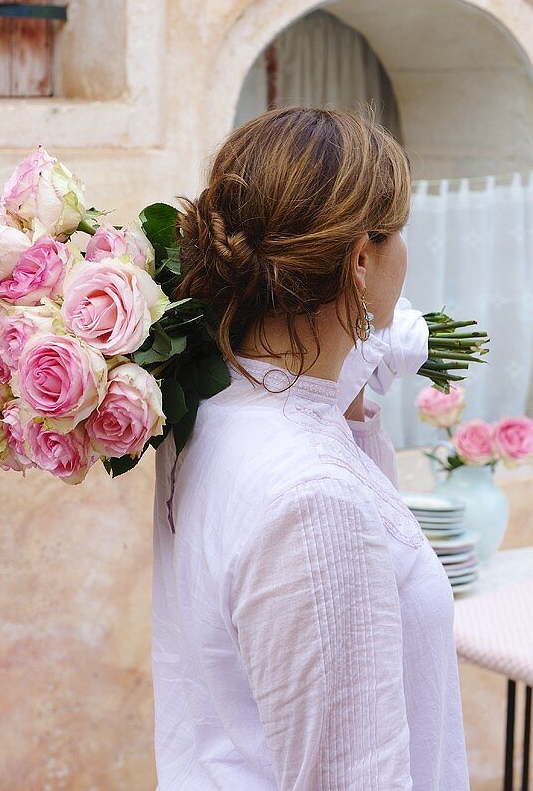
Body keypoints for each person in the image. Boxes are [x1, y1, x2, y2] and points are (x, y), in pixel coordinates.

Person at [151, 106, 470, 790]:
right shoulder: (314, 499)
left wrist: (349, 377)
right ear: (361, 260)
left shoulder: (209, 408)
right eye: (398, 236)